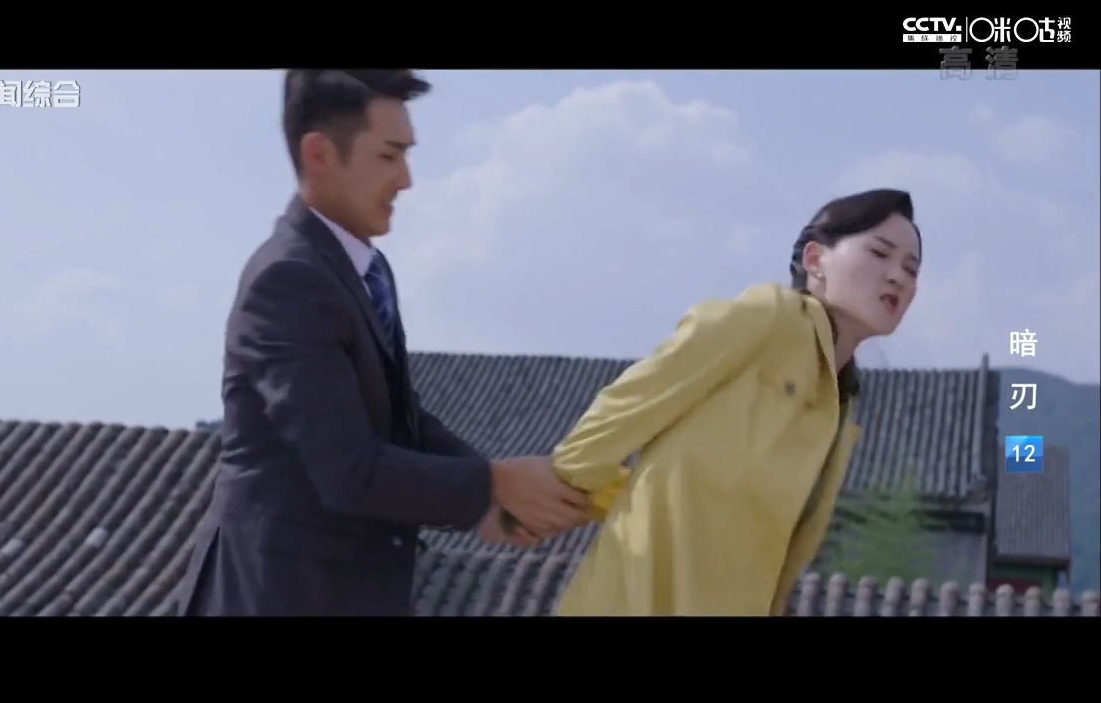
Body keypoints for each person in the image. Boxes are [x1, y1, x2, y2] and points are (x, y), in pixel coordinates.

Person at [172, 70, 589, 617]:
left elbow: (398, 420)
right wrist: (494, 484)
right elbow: (348, 469)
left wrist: (490, 500)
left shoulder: (364, 269)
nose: (406, 180)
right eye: (389, 156)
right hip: (278, 593)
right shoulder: (288, 280)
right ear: (320, 154)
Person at [544, 188, 922, 616]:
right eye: (879, 253)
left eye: (911, 269)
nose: (899, 276)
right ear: (815, 260)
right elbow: (628, 406)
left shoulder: (839, 406)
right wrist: (553, 491)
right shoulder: (768, 317)